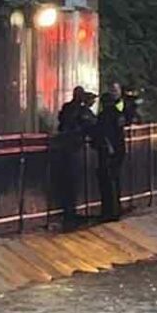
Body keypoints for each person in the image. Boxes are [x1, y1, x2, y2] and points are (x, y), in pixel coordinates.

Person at [56, 87, 97, 230]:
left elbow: (61, 123)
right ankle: (72, 213)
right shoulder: (80, 111)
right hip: (75, 148)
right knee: (73, 182)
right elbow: (91, 124)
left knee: (68, 183)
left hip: (65, 148)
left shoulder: (67, 108)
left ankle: (70, 211)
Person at [95, 91, 126, 221]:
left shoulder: (104, 116)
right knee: (116, 179)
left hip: (108, 151)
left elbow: (102, 133)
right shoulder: (118, 114)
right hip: (119, 149)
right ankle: (116, 210)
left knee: (107, 181)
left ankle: (108, 211)